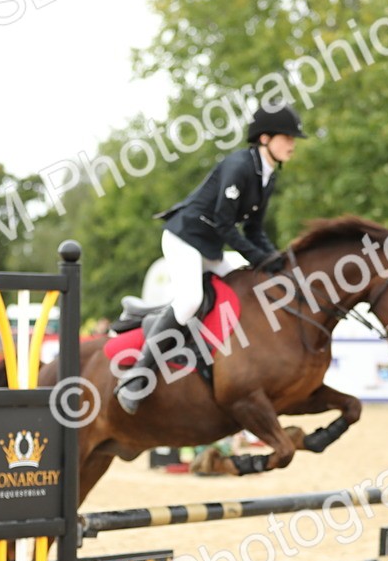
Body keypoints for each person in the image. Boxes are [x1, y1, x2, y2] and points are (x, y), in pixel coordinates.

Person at [114, 100, 307, 414]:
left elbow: (254, 229)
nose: (292, 145)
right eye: (287, 138)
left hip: (212, 247)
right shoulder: (239, 167)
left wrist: (275, 262)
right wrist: (258, 256)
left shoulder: (268, 175)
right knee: (190, 299)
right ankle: (137, 375)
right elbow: (223, 222)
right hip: (184, 239)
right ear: (264, 139)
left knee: (252, 279)